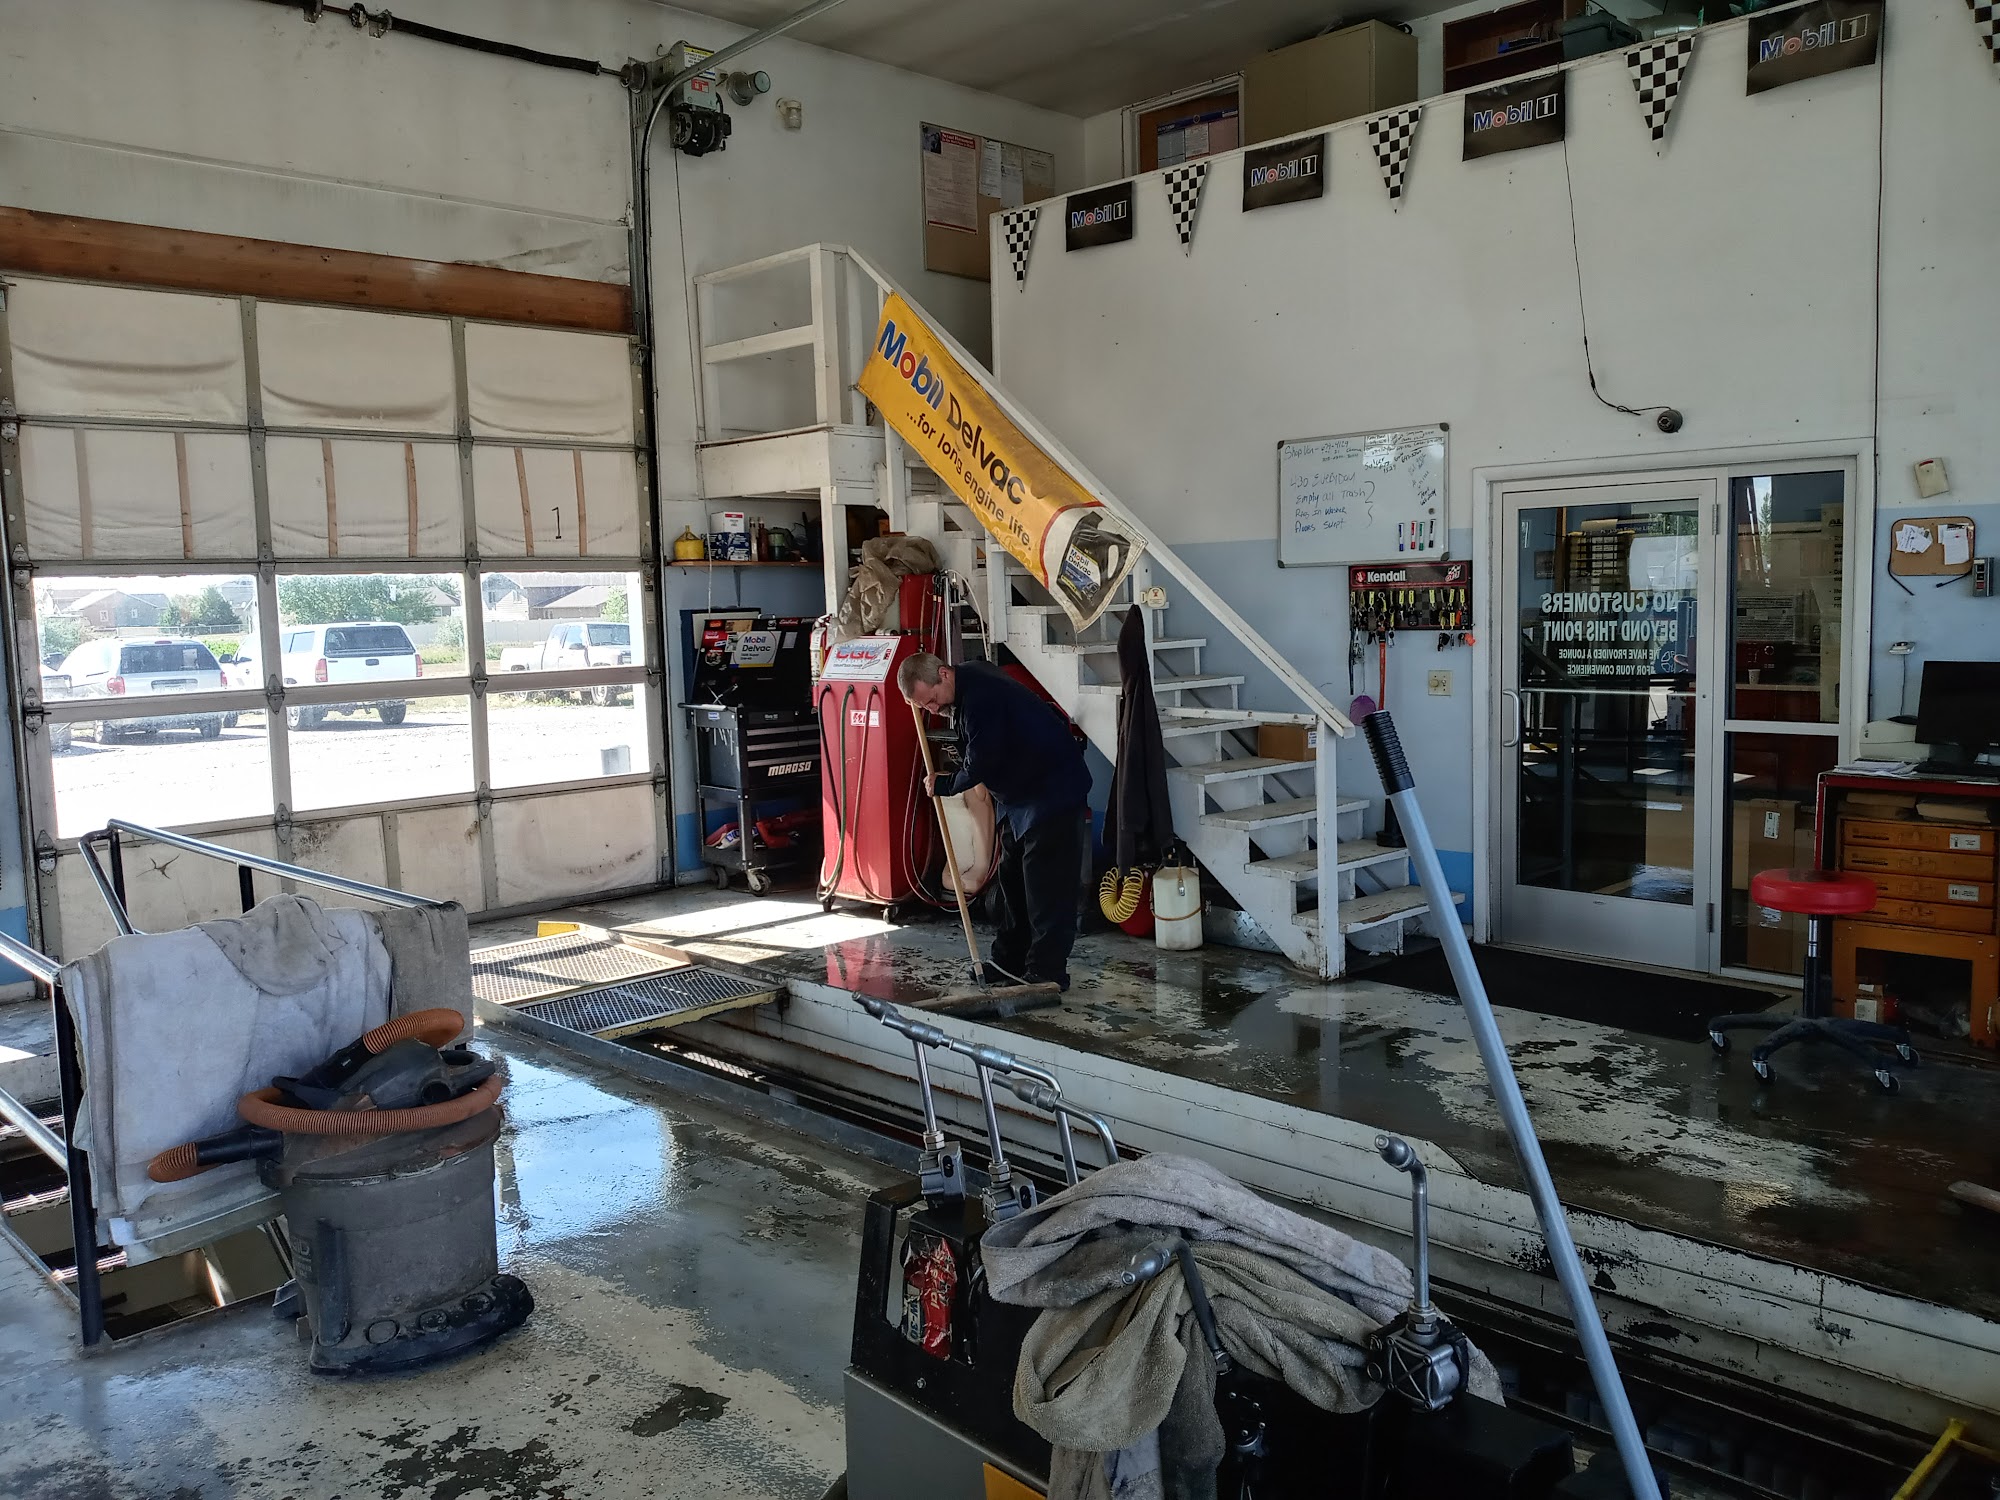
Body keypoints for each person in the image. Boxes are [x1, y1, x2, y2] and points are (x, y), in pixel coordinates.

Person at [898, 652, 1090, 990]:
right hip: (1020, 797)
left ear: (944, 674)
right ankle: (1008, 961)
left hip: (1051, 792)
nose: (933, 709)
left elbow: (981, 762)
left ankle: (1047, 973)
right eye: (924, 706)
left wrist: (945, 783)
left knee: (1047, 891)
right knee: (1012, 882)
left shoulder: (980, 697)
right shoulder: (964, 683)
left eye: (932, 699)